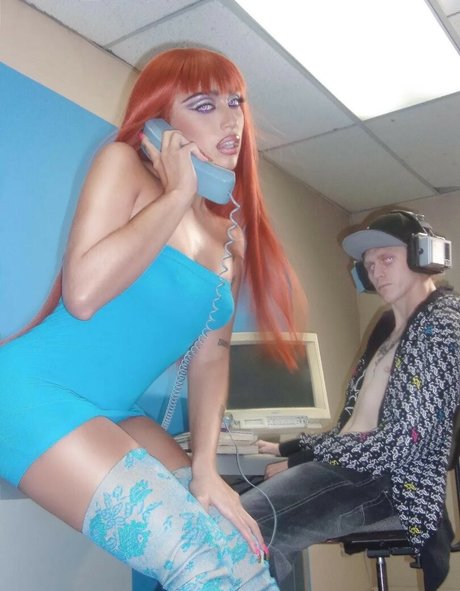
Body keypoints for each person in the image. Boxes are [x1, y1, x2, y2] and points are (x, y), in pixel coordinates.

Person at [0, 47, 305, 590]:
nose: (230, 120)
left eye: (235, 102)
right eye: (204, 105)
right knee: (196, 559)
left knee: (241, 552)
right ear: (162, 124)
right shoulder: (123, 165)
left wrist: (205, 466)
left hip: (117, 411)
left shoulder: (229, 240)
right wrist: (178, 194)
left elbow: (211, 358)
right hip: (33, 391)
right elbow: (83, 294)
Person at [241, 209, 460, 590]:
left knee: (239, 525)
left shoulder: (443, 324)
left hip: (390, 481)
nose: (376, 272)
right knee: (238, 520)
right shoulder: (387, 328)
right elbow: (354, 426)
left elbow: (403, 443)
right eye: (369, 265)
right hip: (355, 468)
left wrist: (299, 460)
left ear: (424, 256)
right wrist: (290, 448)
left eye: (387, 259)